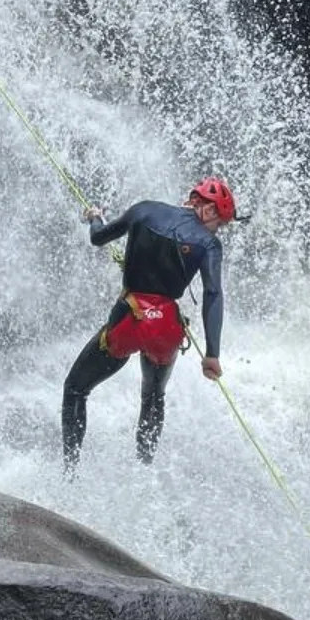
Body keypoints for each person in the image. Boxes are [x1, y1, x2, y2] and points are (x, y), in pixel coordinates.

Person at [61, 177, 236, 473]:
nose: (217, 230)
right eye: (219, 223)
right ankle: (144, 472)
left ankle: (70, 471)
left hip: (127, 320)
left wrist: (94, 218)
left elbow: (98, 237)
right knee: (153, 397)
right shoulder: (208, 243)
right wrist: (212, 354)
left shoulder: (143, 211)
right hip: (164, 328)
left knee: (76, 390)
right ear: (207, 210)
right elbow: (213, 294)